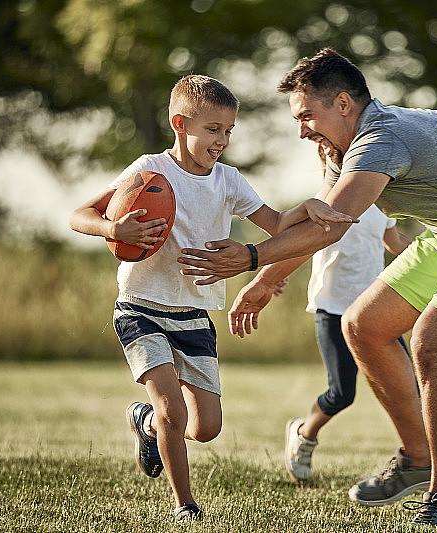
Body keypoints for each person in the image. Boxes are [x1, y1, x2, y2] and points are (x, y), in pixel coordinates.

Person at [178, 49, 437, 527]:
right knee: (363, 324)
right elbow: (324, 218)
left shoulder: (381, 139)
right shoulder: (344, 152)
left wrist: (253, 259)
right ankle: (416, 456)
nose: (301, 130)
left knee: (431, 342)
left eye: (306, 116)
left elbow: (330, 229)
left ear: (343, 103)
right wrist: (263, 281)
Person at [68, 74, 355, 524]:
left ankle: (143, 422)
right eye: (213, 130)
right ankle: (185, 505)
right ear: (181, 124)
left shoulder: (228, 181)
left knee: (206, 427)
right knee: (172, 411)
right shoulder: (149, 171)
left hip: (195, 313)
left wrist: (310, 206)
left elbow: (276, 224)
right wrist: (112, 229)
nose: (222, 140)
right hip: (141, 306)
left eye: (228, 131)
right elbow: (80, 214)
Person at [275, 146, 413, 483]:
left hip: (376, 310)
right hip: (332, 310)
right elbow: (297, 244)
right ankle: (304, 434)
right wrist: (273, 274)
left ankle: (426, 460)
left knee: (409, 386)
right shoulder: (320, 204)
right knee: (342, 393)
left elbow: (394, 242)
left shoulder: (380, 204)